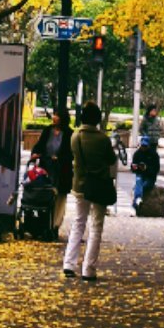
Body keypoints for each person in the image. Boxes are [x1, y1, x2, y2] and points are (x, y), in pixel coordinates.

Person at [63, 100, 117, 282]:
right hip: (99, 185)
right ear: (97, 119)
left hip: (80, 186)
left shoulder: (75, 136)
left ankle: (69, 264)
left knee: (78, 223)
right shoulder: (103, 139)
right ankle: (89, 268)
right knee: (96, 227)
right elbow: (111, 159)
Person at [32, 107, 73, 235]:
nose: (54, 117)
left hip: (62, 171)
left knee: (59, 198)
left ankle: (55, 225)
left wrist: (59, 158)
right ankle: (44, 224)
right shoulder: (47, 131)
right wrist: (35, 154)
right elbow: (39, 146)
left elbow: (71, 154)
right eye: (54, 115)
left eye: (57, 115)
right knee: (45, 195)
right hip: (46, 168)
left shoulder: (69, 133)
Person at [130, 127, 160, 213]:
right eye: (142, 145)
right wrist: (134, 167)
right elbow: (133, 166)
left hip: (150, 177)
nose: (143, 147)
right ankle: (138, 200)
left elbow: (156, 169)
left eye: (145, 146)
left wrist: (146, 168)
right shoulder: (137, 153)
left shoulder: (154, 155)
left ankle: (135, 203)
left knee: (142, 186)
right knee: (139, 181)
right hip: (140, 174)